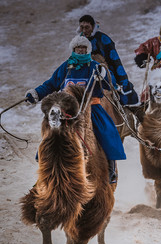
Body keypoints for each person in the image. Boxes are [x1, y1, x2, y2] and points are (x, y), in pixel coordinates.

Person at [25, 35, 125, 184]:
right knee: (51, 133)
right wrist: (36, 94)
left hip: (92, 107)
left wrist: (103, 75)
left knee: (107, 132)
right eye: (78, 48)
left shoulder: (94, 67)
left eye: (84, 48)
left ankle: (111, 170)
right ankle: (44, 171)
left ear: (88, 50)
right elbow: (51, 84)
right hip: (68, 109)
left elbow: (110, 84)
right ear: (73, 49)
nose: (81, 50)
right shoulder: (66, 67)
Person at [78, 14, 139, 106]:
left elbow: (115, 60)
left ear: (93, 26)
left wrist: (122, 81)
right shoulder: (78, 41)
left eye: (87, 27)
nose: (84, 30)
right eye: (82, 27)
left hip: (104, 72)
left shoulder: (103, 39)